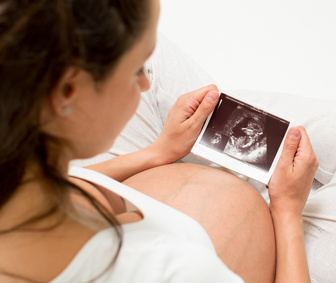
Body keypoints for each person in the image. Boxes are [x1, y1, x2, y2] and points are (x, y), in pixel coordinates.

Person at [0, 0, 317, 282]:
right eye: (138, 69)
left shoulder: (25, 182)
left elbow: (72, 187)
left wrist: (157, 152)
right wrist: (288, 214)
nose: (146, 83)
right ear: (69, 91)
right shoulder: (176, 269)